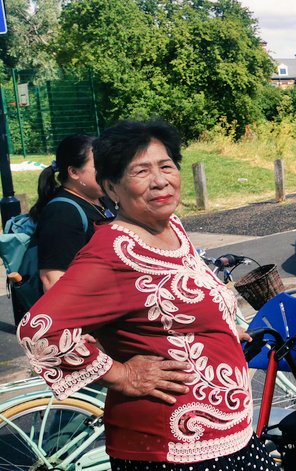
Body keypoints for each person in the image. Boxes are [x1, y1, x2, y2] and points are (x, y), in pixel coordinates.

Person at [17, 121, 277, 470]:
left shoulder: (173, 227)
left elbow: (173, 303)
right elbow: (38, 329)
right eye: (141, 171)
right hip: (172, 449)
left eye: (166, 166)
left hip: (230, 433)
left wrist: (221, 329)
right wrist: (122, 374)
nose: (160, 180)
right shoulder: (113, 251)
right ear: (111, 188)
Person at [31, 134, 116, 292]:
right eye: (99, 166)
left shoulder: (104, 199)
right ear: (74, 172)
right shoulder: (62, 213)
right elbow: (53, 281)